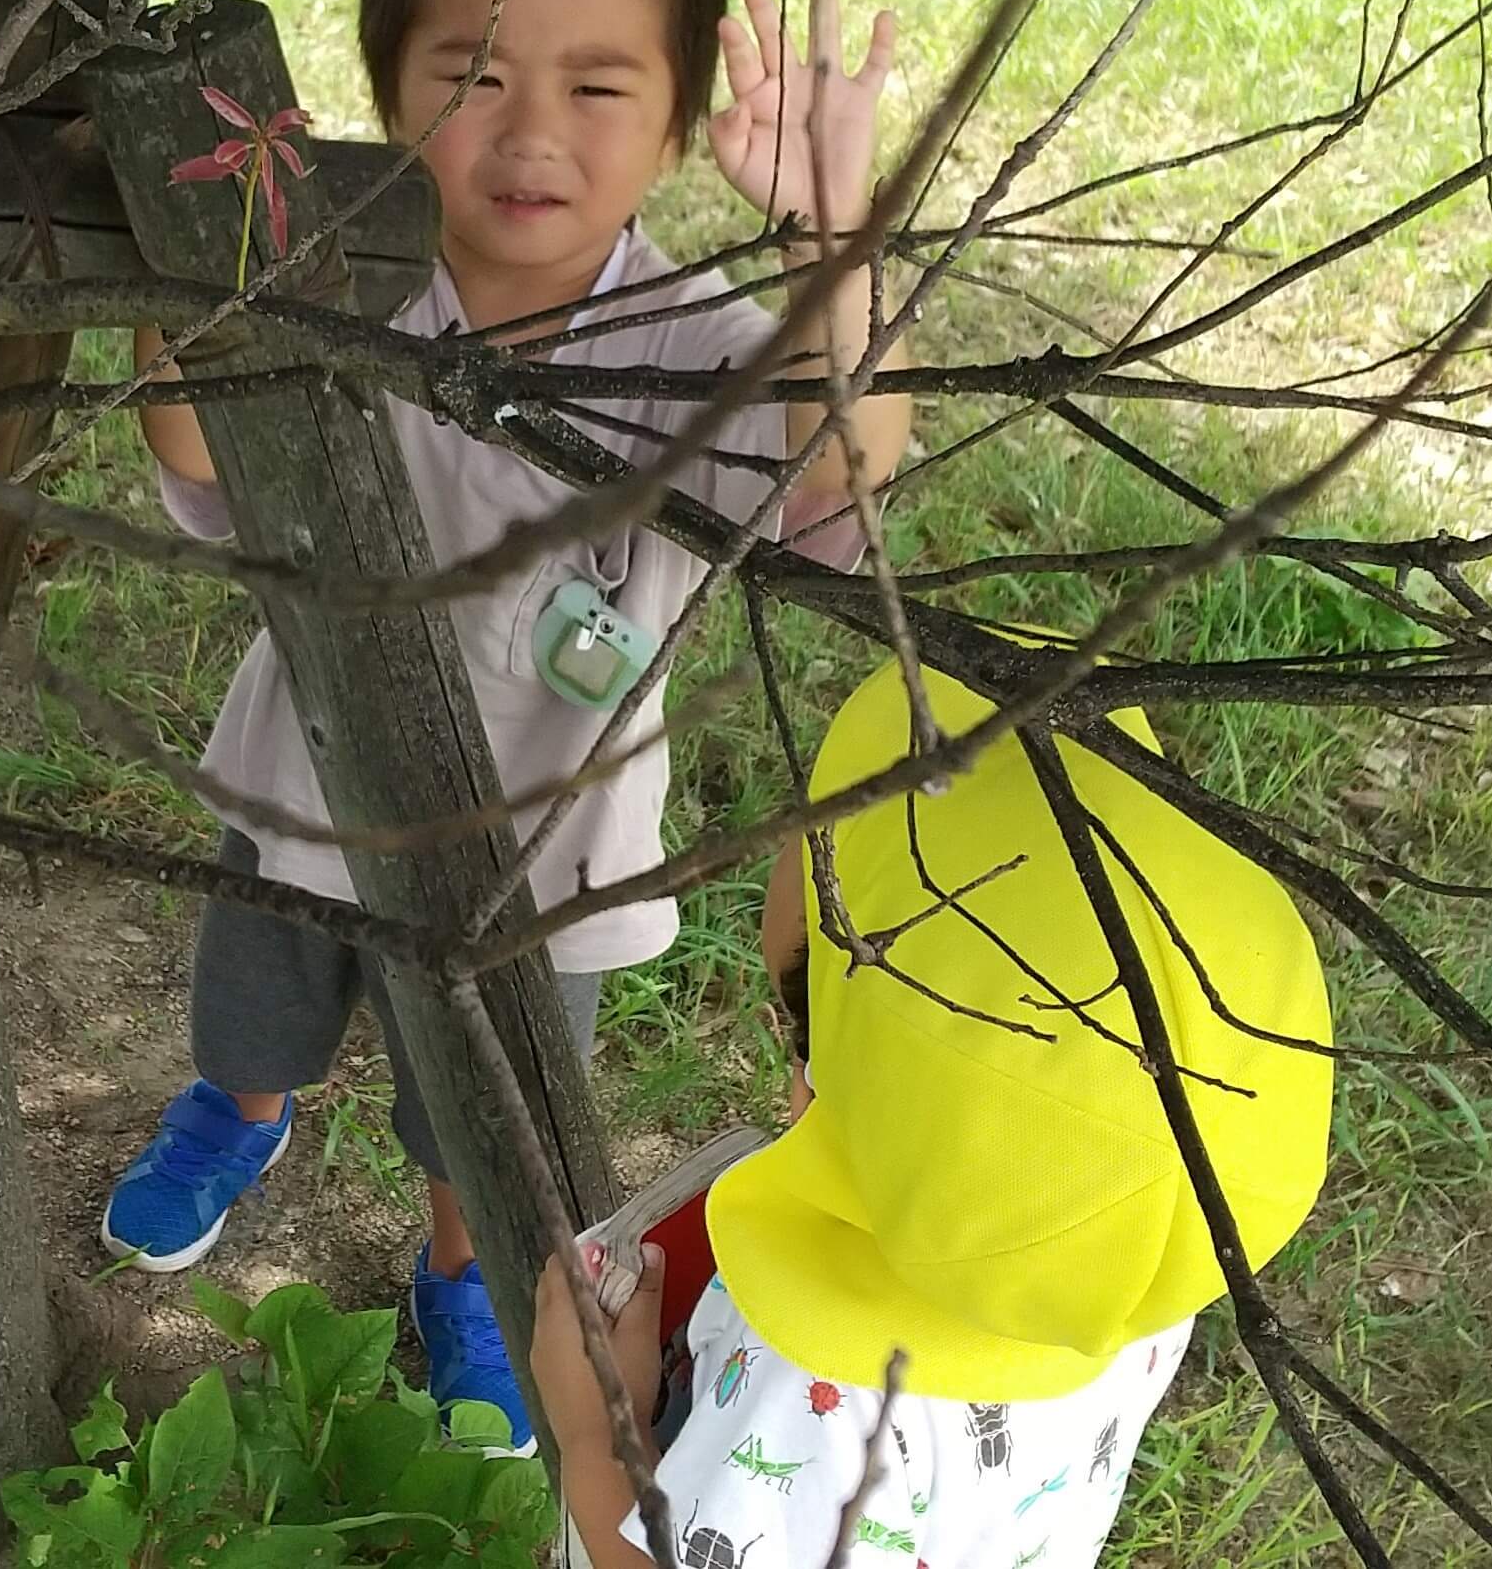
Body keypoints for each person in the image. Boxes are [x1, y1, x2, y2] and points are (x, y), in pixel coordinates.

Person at [104, 0, 912, 1453]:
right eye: (470, 72)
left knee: (474, 1108)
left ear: (677, 119)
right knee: (253, 1001)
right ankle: (239, 1114)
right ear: (385, 88)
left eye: (596, 86)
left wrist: (844, 245)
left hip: (541, 858)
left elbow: (841, 475)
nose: (528, 129)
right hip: (300, 784)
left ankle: (456, 1274)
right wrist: (199, 276)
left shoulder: (701, 346)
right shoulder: (338, 284)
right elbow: (193, 456)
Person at [532, 659, 1335, 1565]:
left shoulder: (805, 1393)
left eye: (824, 822)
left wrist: (600, 1436)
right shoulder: (1143, 1267)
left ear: (831, 1055)